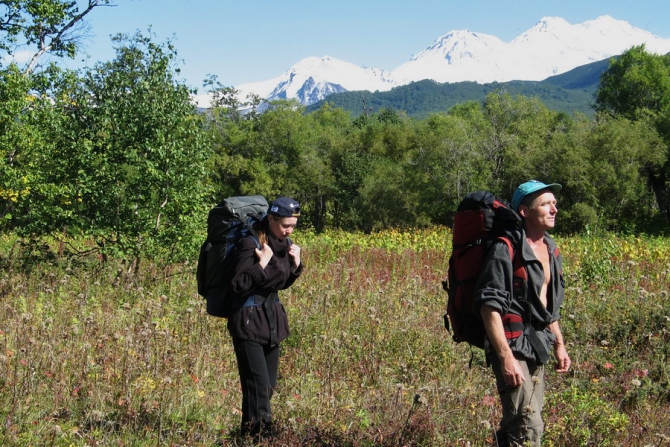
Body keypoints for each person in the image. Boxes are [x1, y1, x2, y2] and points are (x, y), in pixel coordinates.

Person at [474, 180, 571, 447]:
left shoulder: (551, 249)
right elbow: (488, 307)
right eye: (545, 204)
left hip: (538, 343)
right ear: (525, 211)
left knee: (520, 420)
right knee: (529, 425)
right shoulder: (505, 249)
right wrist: (506, 357)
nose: (554, 210)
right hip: (511, 343)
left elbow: (548, 308)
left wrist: (560, 344)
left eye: (554, 203)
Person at [227, 196, 303, 439]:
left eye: (293, 225)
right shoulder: (249, 243)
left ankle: (247, 437)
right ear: (271, 219)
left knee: (267, 387)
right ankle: (264, 436)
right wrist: (261, 264)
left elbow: (279, 283)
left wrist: (296, 266)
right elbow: (237, 285)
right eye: (285, 225)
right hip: (248, 322)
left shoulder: (284, 244)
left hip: (272, 321)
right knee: (256, 387)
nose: (289, 230)